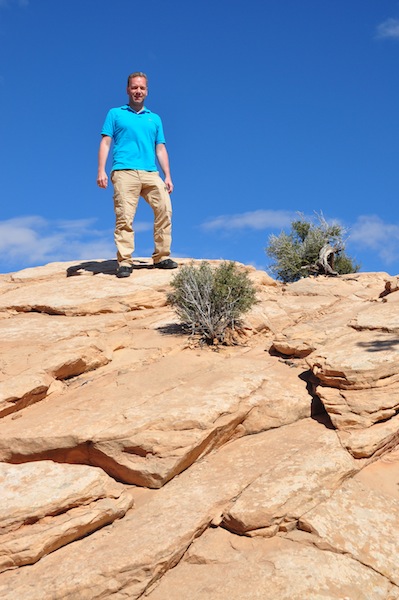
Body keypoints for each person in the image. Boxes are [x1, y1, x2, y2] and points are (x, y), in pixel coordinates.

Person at [97, 71, 177, 278]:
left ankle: (161, 257)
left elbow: (160, 148)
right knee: (124, 216)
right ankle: (124, 261)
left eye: (142, 88)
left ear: (147, 91)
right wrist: (101, 171)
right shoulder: (115, 113)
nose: (138, 91)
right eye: (134, 87)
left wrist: (167, 175)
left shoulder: (154, 118)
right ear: (127, 90)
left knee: (165, 209)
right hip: (124, 171)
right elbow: (106, 142)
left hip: (150, 172)